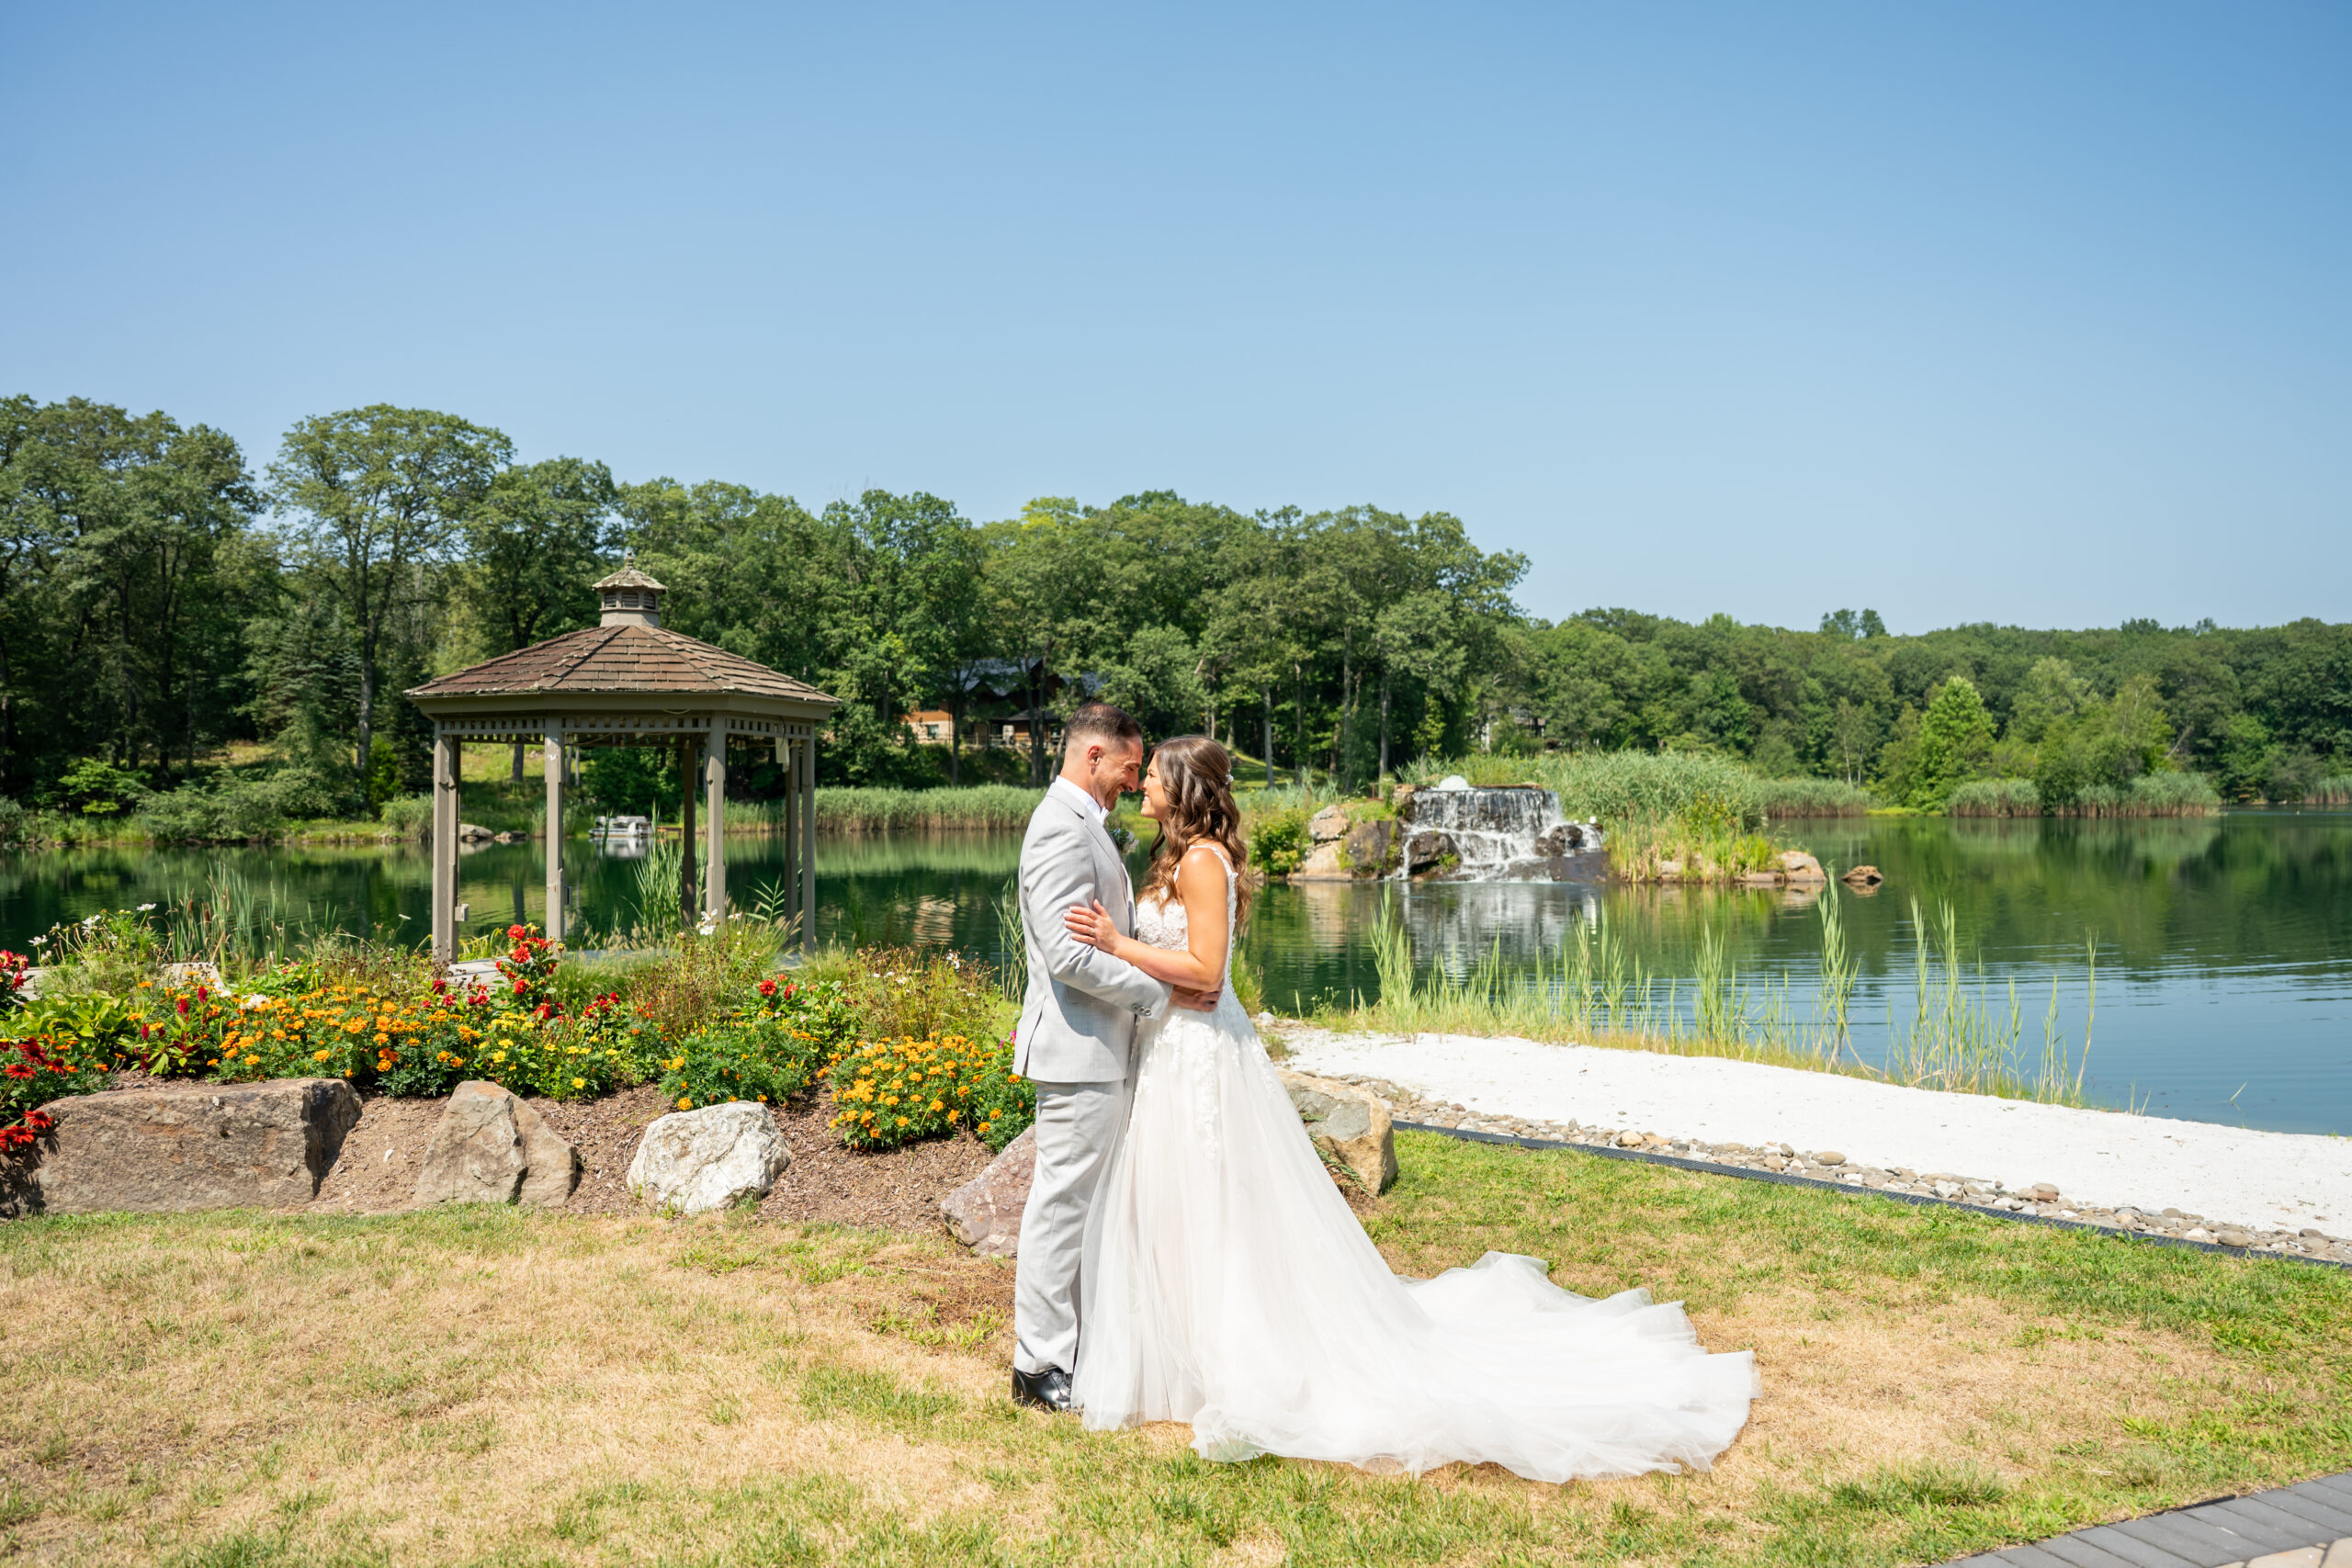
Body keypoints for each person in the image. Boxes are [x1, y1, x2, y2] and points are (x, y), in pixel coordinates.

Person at [1059, 735, 1758, 1482]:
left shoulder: (1202, 861)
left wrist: (1117, 944)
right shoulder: (1177, 857)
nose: (1141, 785)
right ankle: (1181, 1354)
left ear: (1184, 788)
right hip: (1175, 1049)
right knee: (1184, 1203)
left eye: (1152, 777)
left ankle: (1237, 1363)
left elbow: (1205, 972)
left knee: (1216, 1205)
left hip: (1202, 1055)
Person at [1008, 702, 1216, 1412]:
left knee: (1088, 1204)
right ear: (1093, 755)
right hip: (1078, 1048)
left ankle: (1074, 1345)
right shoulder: (1058, 829)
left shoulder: (1085, 823)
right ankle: (1038, 1363)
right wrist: (1160, 994)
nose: (1134, 781)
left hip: (1101, 1047)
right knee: (1062, 1203)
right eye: (1130, 767)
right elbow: (1068, 956)